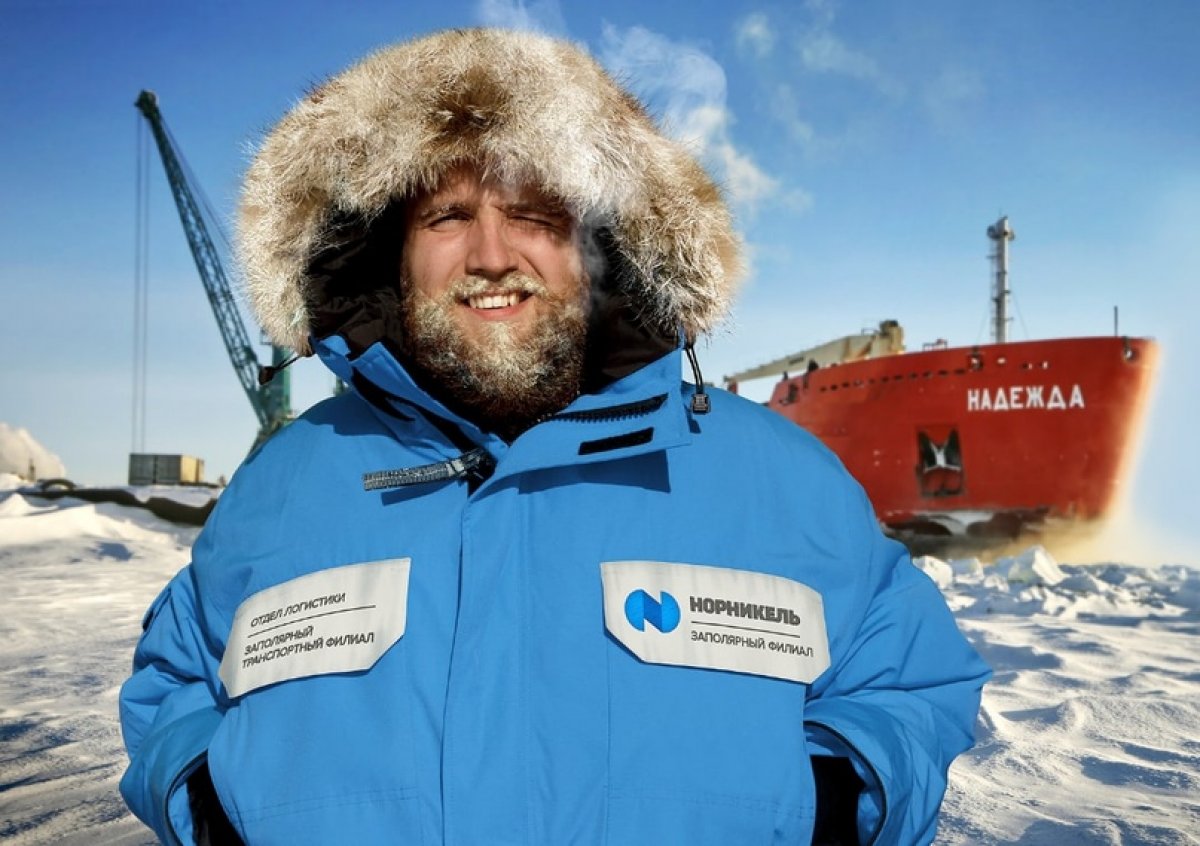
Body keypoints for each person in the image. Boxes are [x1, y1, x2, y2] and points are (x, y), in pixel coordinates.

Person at [119, 27, 989, 846]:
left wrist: (834, 805)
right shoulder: (283, 486)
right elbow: (174, 684)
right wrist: (207, 802)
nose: (492, 253)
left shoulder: (781, 480)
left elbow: (908, 681)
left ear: (603, 245)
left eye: (534, 214)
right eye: (447, 216)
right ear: (388, 250)